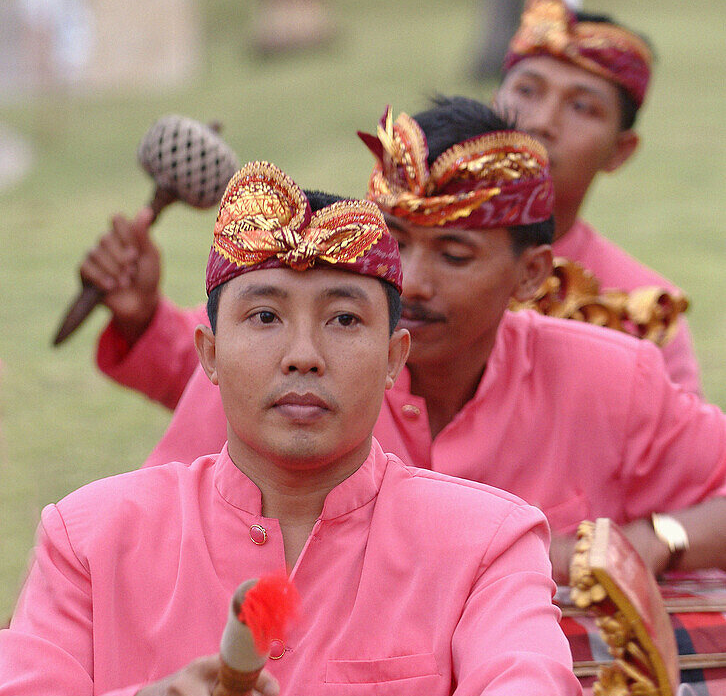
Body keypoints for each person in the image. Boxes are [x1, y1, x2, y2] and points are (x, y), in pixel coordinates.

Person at [0, 161, 580, 696]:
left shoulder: (485, 535)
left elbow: (531, 691)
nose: (303, 355)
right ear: (207, 351)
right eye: (264, 316)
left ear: (393, 356)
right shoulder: (92, 534)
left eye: (343, 321)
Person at [89, 99, 726, 585]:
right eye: (396, 238)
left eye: (453, 254)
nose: (410, 280)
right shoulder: (303, 367)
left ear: (531, 274)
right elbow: (150, 540)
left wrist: (649, 541)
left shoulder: (609, 377)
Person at [495, 0, 701, 395]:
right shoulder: (402, 259)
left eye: (581, 106)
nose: (540, 122)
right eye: (526, 90)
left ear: (620, 152)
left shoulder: (644, 313)